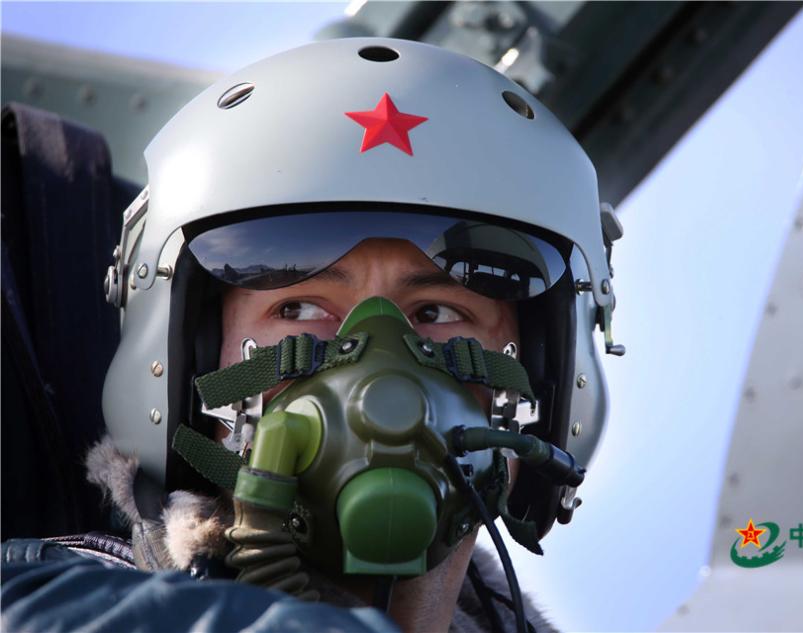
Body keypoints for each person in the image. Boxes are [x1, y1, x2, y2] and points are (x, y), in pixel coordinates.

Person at [1, 36, 622, 633]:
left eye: (436, 313)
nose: (379, 381)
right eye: (299, 309)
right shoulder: (55, 598)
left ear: (543, 386)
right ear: (183, 371)